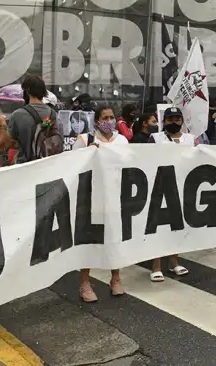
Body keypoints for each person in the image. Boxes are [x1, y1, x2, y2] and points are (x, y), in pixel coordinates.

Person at [74, 105, 127, 301]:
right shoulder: (84, 140)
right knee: (89, 239)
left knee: (114, 237)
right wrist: (87, 154)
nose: (109, 120)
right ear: (96, 121)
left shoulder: (122, 140)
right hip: (91, 198)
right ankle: (85, 283)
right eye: (105, 117)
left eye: (112, 116)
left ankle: (116, 278)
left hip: (114, 196)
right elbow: (72, 166)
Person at [148, 107, 193, 281]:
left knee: (177, 227)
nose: (174, 122)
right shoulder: (155, 138)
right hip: (160, 187)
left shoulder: (190, 139)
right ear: (164, 121)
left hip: (182, 187)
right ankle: (156, 265)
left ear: (182, 120)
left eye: (177, 119)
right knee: (158, 227)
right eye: (170, 119)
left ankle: (174, 261)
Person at [9, 75, 54, 163]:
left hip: (25, 168)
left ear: (27, 91)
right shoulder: (54, 115)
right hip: (49, 167)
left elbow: (9, 143)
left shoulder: (18, 115)